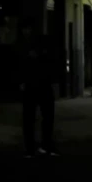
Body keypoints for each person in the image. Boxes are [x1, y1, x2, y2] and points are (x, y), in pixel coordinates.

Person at [17, 19, 58, 157]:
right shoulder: (22, 45)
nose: (26, 31)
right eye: (25, 29)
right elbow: (18, 65)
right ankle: (34, 148)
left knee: (44, 117)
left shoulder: (36, 43)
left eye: (28, 29)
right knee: (32, 118)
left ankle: (44, 146)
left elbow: (49, 60)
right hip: (33, 85)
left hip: (40, 84)